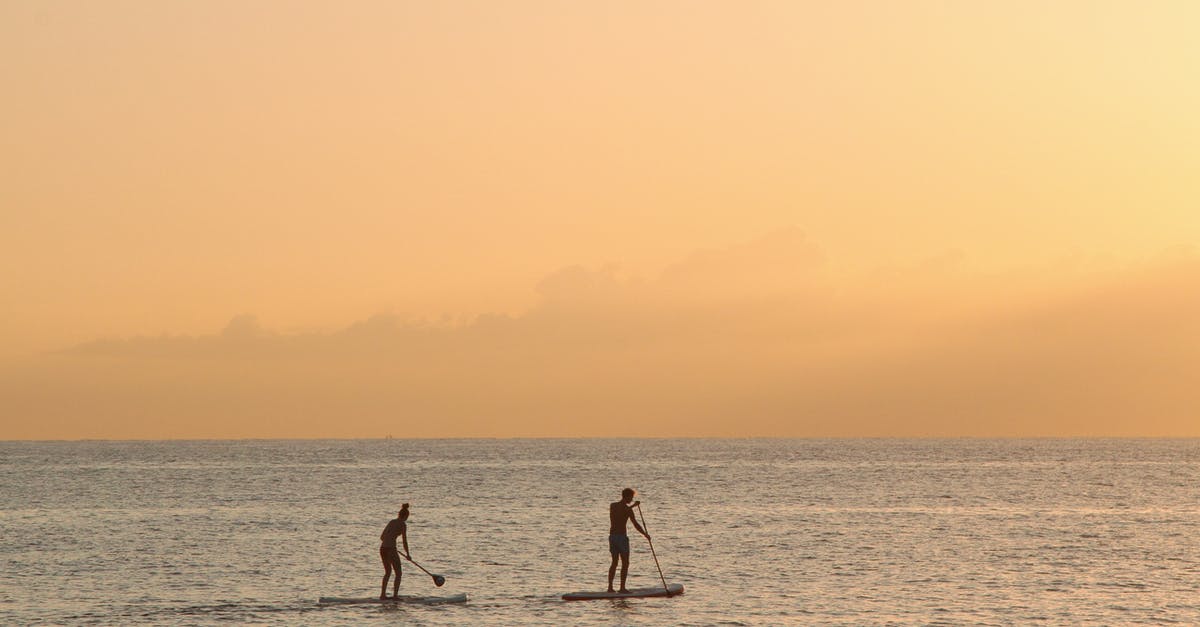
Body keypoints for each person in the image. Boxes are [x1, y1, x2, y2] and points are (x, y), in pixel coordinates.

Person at [608, 488, 649, 593]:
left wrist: (632, 506)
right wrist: (645, 534)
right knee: (625, 563)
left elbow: (623, 510)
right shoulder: (627, 510)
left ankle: (610, 588)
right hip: (621, 538)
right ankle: (621, 588)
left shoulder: (613, 506)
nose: (631, 500)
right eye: (631, 498)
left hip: (612, 537)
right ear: (626, 496)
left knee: (614, 563)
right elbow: (635, 524)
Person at [379, 503, 411, 599]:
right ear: (406, 516)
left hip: (382, 548)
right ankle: (395, 596)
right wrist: (408, 554)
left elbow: (382, 537)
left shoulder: (391, 522)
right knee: (398, 573)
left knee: (388, 572)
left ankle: (383, 595)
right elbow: (404, 541)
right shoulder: (402, 524)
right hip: (391, 549)